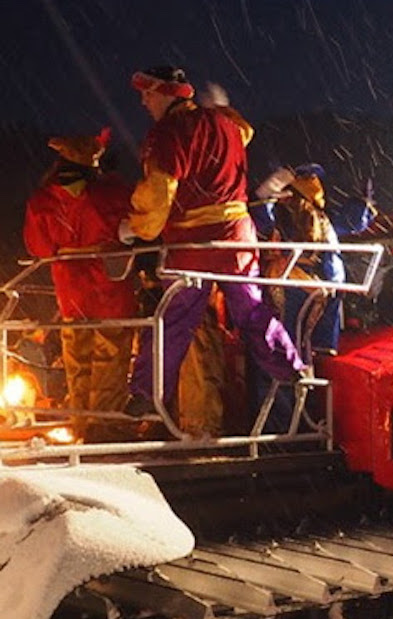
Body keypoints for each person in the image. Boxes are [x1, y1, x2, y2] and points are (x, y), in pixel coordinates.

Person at [119, 66, 304, 418]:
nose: (143, 101)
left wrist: (136, 227)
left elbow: (159, 191)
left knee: (174, 318)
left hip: (193, 243)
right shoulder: (228, 126)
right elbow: (242, 133)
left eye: (149, 93)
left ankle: (145, 394)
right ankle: (291, 367)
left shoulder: (167, 133)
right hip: (237, 237)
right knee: (252, 309)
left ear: (168, 93)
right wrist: (220, 110)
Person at [23, 129, 136, 440]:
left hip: (71, 291)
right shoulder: (111, 194)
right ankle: (105, 423)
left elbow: (38, 247)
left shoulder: (42, 200)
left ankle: (82, 422)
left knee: (78, 361)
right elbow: (137, 225)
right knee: (110, 360)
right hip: (110, 288)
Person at [251, 164, 376, 355]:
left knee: (283, 342)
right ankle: (315, 352)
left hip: (293, 284)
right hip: (323, 286)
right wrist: (365, 201)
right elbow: (354, 220)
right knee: (309, 343)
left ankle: (285, 361)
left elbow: (260, 217)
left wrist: (268, 191)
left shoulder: (285, 216)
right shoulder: (325, 219)